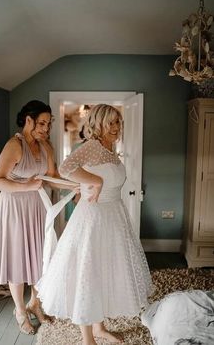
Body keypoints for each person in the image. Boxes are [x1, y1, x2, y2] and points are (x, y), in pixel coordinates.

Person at [36, 104, 154, 345]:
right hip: (93, 218)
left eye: (118, 122)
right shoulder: (92, 146)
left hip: (114, 217)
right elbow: (66, 168)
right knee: (88, 272)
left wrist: (96, 181)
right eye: (110, 123)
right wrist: (95, 181)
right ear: (98, 124)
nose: (115, 127)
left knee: (103, 270)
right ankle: (88, 337)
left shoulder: (111, 150)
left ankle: (100, 328)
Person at [0, 100, 74, 335]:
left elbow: (50, 178)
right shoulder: (14, 146)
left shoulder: (46, 146)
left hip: (38, 209)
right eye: (41, 123)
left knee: (40, 259)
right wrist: (28, 186)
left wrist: (75, 187)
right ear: (28, 120)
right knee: (18, 261)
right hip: (15, 210)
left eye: (48, 125)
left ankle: (35, 303)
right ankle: (19, 310)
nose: (45, 129)